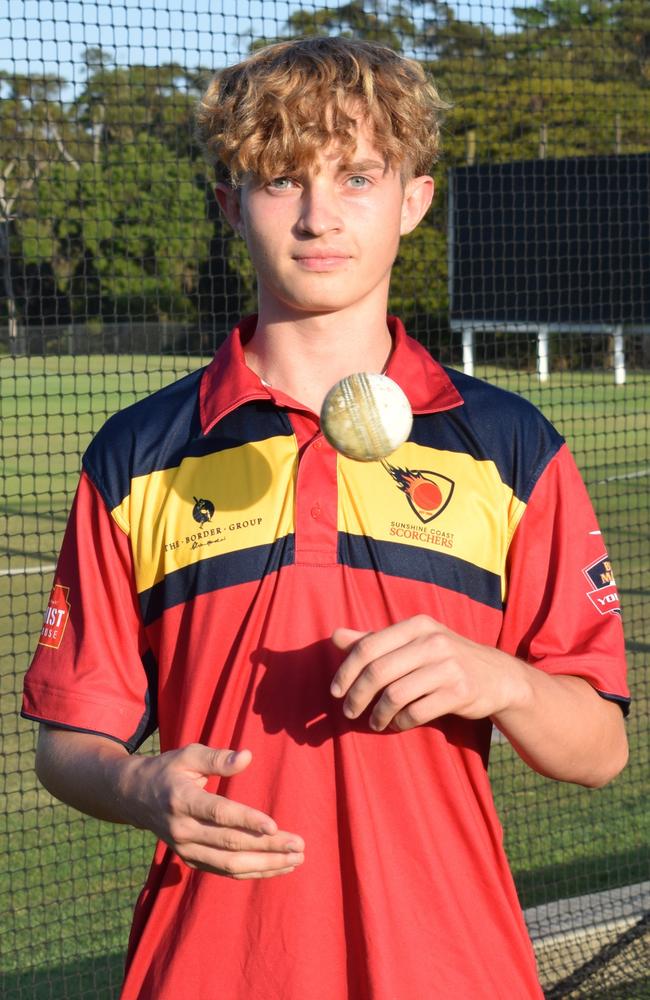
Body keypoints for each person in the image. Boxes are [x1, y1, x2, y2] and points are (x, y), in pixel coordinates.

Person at [22, 36, 629, 1000]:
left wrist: (498, 679)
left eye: (355, 176)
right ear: (231, 205)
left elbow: (599, 747)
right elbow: (70, 739)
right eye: (278, 179)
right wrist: (139, 789)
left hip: (453, 965)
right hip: (208, 970)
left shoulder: (513, 448)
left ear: (414, 201)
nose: (318, 216)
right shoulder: (140, 455)